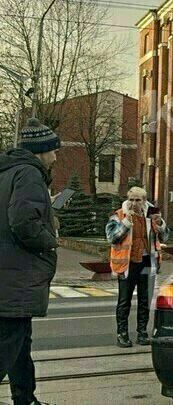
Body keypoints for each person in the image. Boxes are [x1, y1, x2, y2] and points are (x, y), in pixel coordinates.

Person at [0, 118, 60, 405]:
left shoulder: (7, 172)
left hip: (7, 274)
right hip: (17, 276)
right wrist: (50, 238)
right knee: (8, 345)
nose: (56, 157)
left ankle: (25, 399)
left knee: (20, 344)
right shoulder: (29, 173)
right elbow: (23, 222)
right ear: (41, 150)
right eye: (53, 150)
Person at [106, 187, 167, 348]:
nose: (134, 203)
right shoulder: (119, 215)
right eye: (131, 199)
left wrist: (159, 222)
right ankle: (122, 334)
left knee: (145, 300)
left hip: (147, 262)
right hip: (127, 263)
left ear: (144, 201)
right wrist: (127, 222)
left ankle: (142, 332)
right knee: (124, 300)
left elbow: (165, 236)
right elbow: (112, 237)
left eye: (138, 200)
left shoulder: (151, 214)